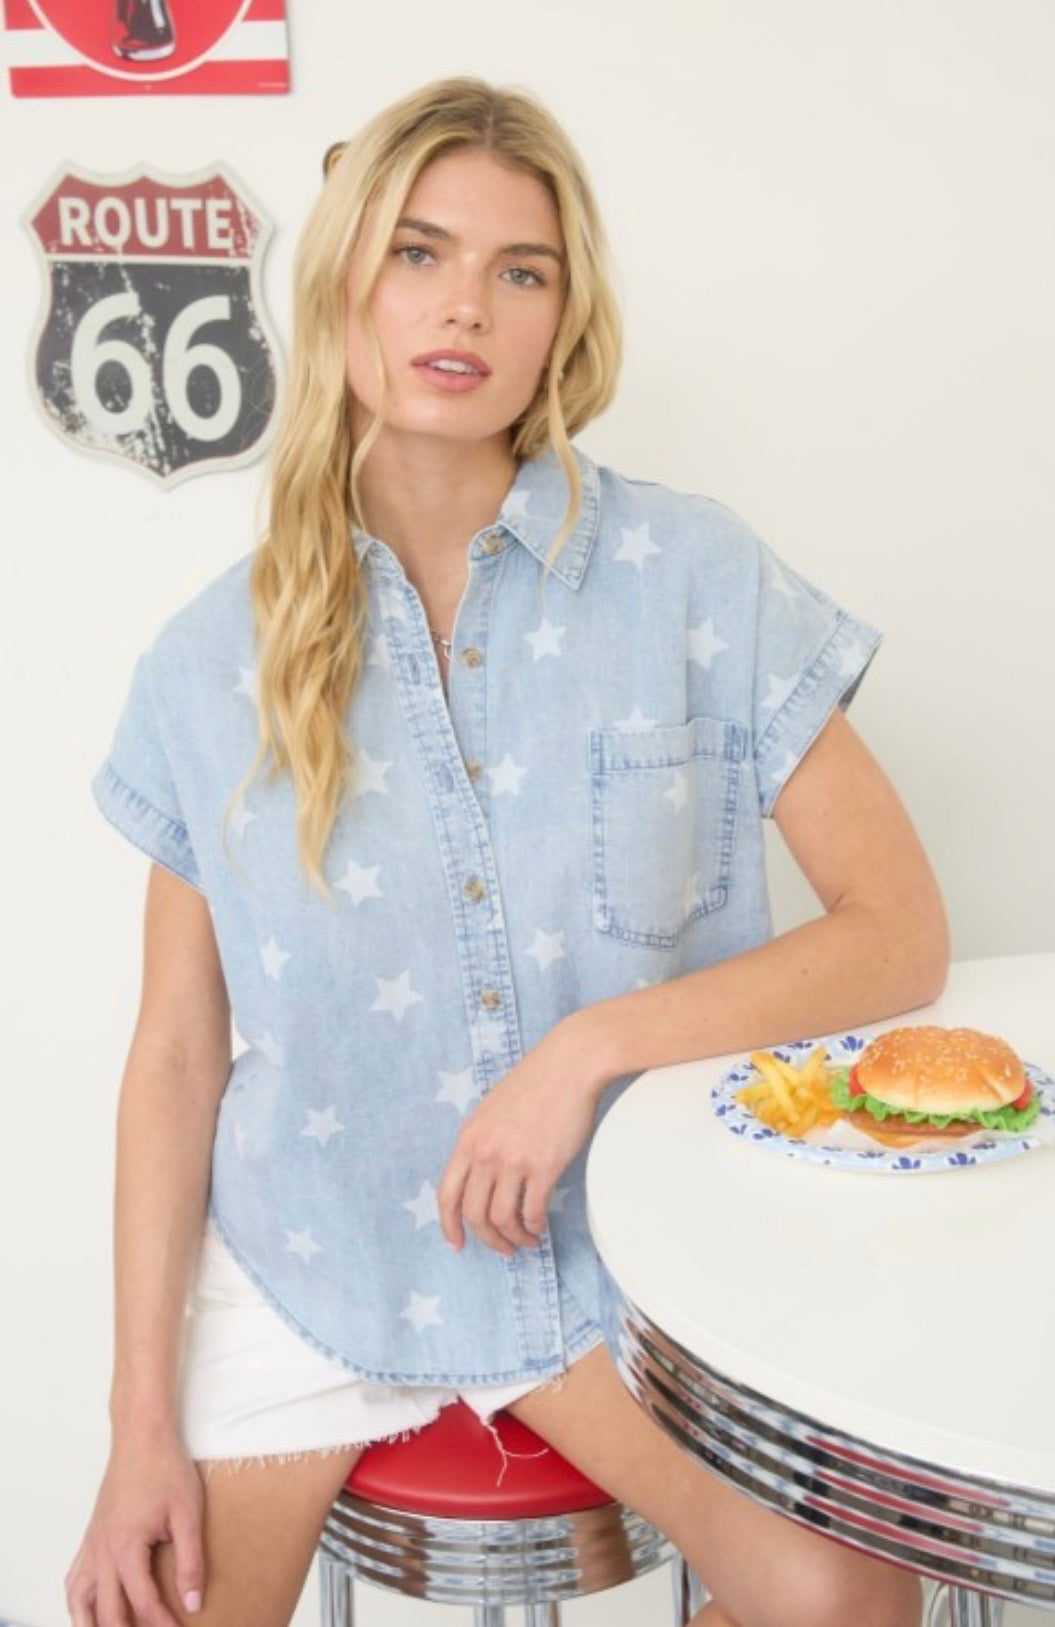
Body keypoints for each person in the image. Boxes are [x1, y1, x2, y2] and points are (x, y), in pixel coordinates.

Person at [66, 74, 947, 1627]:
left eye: (518, 270)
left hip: (614, 1256)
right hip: (314, 1259)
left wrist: (590, 1050)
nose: (464, 303)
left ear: (563, 320)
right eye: (418, 252)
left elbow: (897, 932)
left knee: (843, 1598)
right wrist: (139, 1420)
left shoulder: (694, 576)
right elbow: (177, 1054)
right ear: (343, 278)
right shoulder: (206, 665)